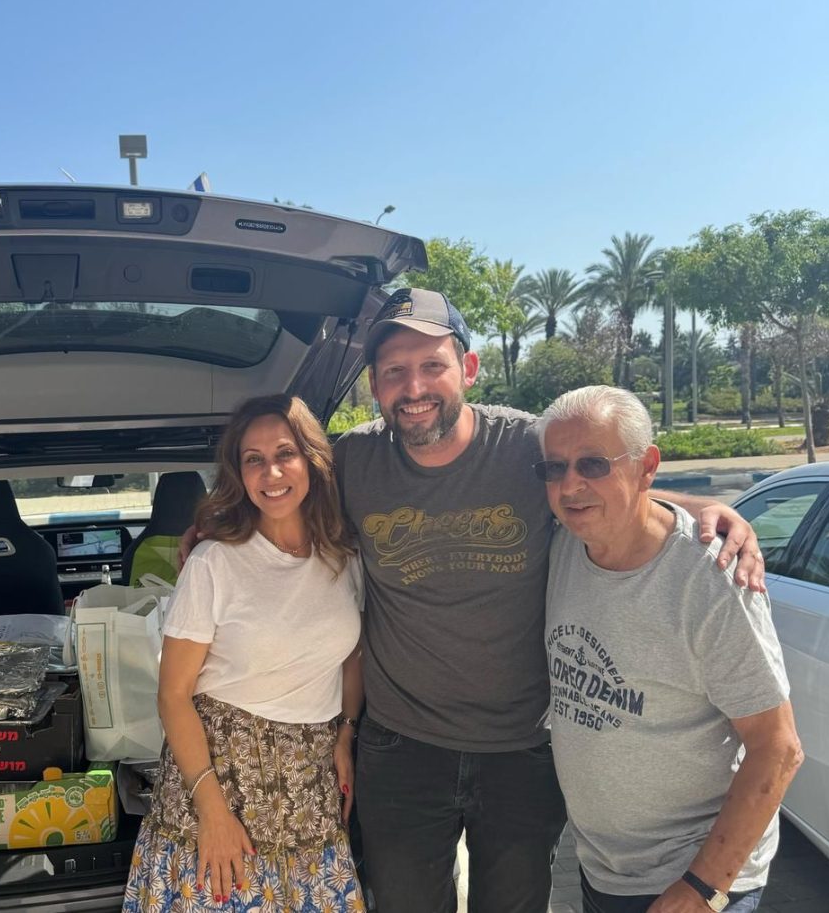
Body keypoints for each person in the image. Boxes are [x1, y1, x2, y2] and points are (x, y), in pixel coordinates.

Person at [333, 287, 768, 913]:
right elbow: (277, 496)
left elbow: (613, 482)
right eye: (394, 372)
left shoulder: (526, 448)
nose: (414, 386)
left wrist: (715, 514)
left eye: (432, 365)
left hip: (525, 749)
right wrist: (211, 527)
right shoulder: (353, 459)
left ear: (469, 369)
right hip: (402, 748)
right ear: (375, 386)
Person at [537, 385, 802, 913]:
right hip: (603, 870)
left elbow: (779, 748)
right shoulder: (567, 542)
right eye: (554, 468)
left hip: (689, 880)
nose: (570, 485)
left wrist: (703, 887)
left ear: (646, 466)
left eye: (593, 463)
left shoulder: (709, 580)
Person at [124, 394, 366, 913]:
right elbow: (172, 695)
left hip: (310, 790)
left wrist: (346, 729)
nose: (271, 471)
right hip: (221, 780)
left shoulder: (344, 556)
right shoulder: (213, 562)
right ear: (238, 472)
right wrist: (211, 809)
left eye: (285, 453)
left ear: (312, 461)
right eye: (253, 459)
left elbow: (350, 656)